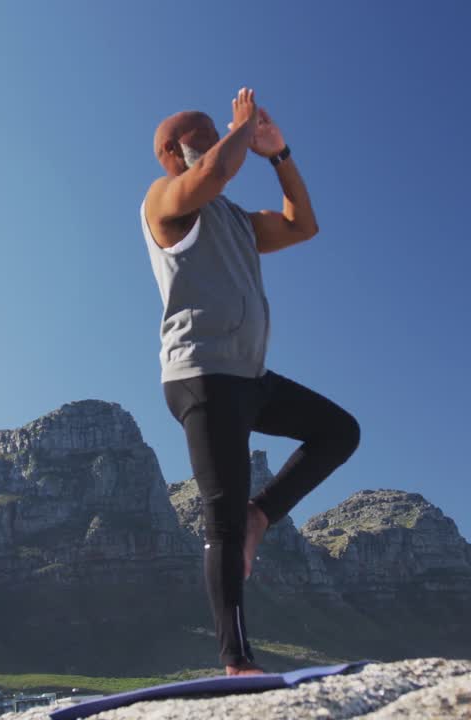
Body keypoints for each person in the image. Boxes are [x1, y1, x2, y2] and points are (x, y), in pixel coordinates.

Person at [140, 87, 361, 676]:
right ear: (171, 152)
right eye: (202, 137)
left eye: (220, 132)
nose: (216, 142)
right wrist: (239, 131)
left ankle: (264, 515)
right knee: (222, 520)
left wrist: (279, 154)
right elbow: (211, 173)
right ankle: (236, 662)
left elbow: (302, 225)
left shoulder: (237, 220)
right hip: (202, 377)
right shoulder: (166, 202)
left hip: (250, 378)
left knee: (339, 433)